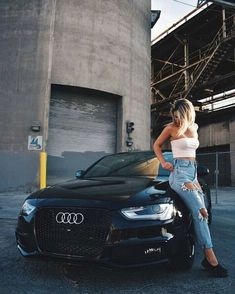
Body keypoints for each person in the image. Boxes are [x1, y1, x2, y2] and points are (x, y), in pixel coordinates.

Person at [153, 98, 228, 278]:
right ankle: (211, 259)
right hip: (179, 175)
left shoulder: (194, 128)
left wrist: (193, 177)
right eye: (174, 117)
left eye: (178, 116)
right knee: (201, 212)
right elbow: (156, 145)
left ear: (186, 114)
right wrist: (163, 162)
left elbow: (192, 154)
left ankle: (206, 257)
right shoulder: (171, 128)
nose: (176, 120)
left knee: (203, 214)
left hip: (192, 173)